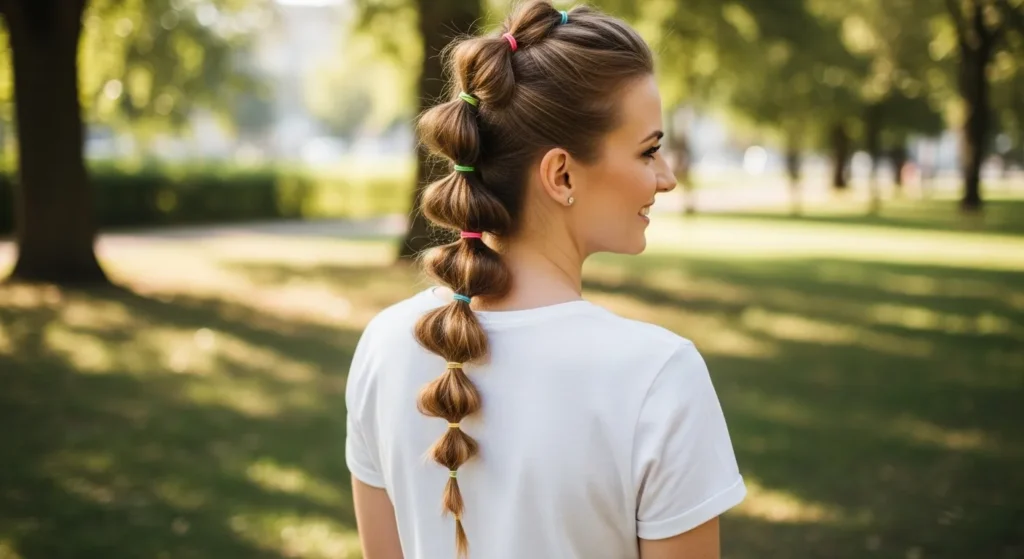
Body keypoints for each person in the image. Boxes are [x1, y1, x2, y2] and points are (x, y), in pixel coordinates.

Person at [344, 2, 746, 558]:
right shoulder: (658, 377)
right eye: (649, 150)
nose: (667, 177)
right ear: (561, 175)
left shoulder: (385, 344)